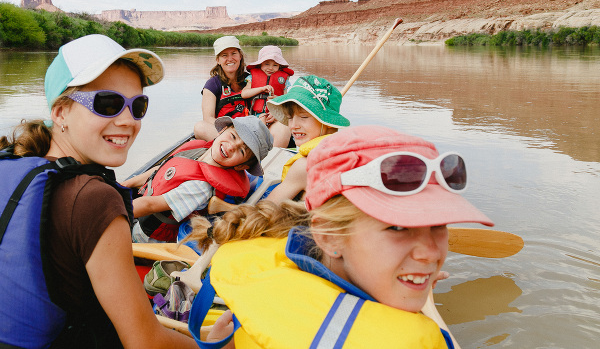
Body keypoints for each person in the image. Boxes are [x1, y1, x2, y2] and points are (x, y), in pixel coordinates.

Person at [0, 34, 198, 349]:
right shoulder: (95, 199)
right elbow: (146, 343)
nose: (128, 120)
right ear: (60, 113)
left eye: (138, 106)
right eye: (107, 104)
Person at [186, 125, 494, 348]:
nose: (431, 253)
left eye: (438, 225)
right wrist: (422, 296)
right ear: (329, 237)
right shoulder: (412, 342)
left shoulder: (262, 284)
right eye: (398, 228)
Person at [122, 116, 272, 243]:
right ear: (223, 130)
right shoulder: (200, 150)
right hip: (139, 211)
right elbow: (160, 169)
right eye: (233, 136)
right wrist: (125, 184)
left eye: (242, 151)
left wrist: (115, 211)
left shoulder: (201, 186)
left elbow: (150, 205)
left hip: (145, 236)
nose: (232, 146)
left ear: (241, 166)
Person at [263, 74, 350, 203]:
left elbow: (264, 210)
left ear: (328, 123)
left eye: (304, 117)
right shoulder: (344, 153)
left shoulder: (304, 166)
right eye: (290, 117)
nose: (293, 126)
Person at [194, 36, 250, 142]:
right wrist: (231, 131)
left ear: (240, 56)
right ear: (218, 60)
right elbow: (208, 118)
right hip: (226, 133)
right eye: (224, 55)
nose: (230, 59)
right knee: (200, 127)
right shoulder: (212, 84)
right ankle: (236, 143)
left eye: (234, 53)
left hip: (250, 131)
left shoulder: (250, 79)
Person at [240, 45, 294, 116]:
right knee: (262, 118)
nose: (271, 68)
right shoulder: (251, 78)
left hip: (276, 115)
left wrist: (277, 99)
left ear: (279, 66)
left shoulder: (284, 81)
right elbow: (244, 94)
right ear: (260, 64)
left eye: (275, 65)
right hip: (256, 115)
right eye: (267, 64)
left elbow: (286, 99)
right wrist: (262, 89)